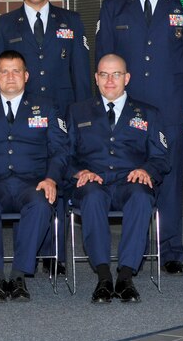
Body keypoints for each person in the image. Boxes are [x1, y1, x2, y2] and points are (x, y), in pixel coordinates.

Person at [95, 0, 183, 275]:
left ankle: (170, 250)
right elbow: (102, 60)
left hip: (172, 108)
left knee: (169, 179)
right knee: (133, 177)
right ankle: (137, 249)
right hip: (130, 112)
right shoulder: (114, 5)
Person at [0, 0, 92, 272]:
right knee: (26, 178)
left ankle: (55, 254)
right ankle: (29, 253)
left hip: (60, 113)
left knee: (54, 178)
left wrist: (83, 115)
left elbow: (81, 74)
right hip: (20, 119)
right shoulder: (3, 24)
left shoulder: (70, 21)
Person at [0, 51, 68, 302]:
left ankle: (19, 274)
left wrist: (51, 178)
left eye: (16, 71)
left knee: (42, 203)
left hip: (31, 183)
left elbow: (60, 149)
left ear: (26, 76)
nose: (10, 77)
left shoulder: (46, 106)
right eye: (4, 72)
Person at [66, 54, 170, 303]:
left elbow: (162, 157)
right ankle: (103, 277)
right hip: (92, 182)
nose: (110, 80)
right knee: (91, 196)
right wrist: (79, 172)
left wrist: (146, 170)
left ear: (127, 78)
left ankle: (125, 276)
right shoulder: (77, 112)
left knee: (141, 196)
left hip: (129, 182)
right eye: (104, 74)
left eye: (116, 74)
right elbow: (63, 156)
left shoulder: (148, 113)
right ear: (96, 78)